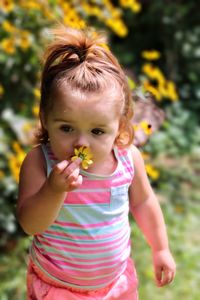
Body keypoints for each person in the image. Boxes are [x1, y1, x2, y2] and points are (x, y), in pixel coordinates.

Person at [17, 26, 176, 300]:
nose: (82, 144)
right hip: (58, 287)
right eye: (66, 129)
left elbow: (143, 202)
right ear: (46, 119)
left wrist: (160, 248)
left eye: (98, 132)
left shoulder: (127, 158)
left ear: (119, 126)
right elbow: (31, 224)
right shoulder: (39, 161)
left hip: (115, 285)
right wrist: (54, 190)